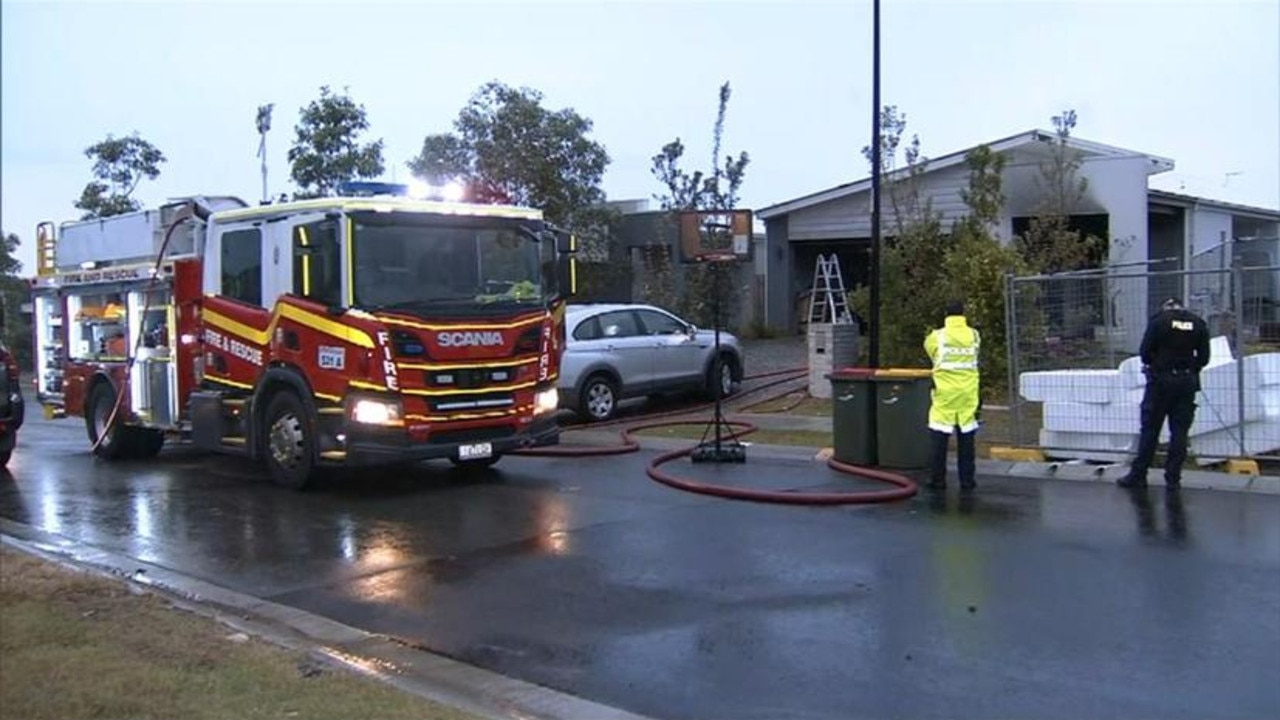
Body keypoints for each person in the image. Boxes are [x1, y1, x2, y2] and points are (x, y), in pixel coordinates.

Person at [1118, 297, 1211, 491]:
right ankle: (1173, 478)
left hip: (1161, 382)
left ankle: (1139, 474)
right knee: (1179, 432)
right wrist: (1189, 368)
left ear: (1166, 307)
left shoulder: (1159, 321)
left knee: (1150, 429)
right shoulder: (1198, 323)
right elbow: (1204, 357)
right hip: (1186, 383)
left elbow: (1144, 352)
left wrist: (1159, 364)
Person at [924, 299, 981, 491]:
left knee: (939, 438)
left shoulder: (937, 337)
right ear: (963, 314)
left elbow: (931, 353)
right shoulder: (974, 335)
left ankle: (937, 480)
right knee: (966, 438)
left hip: (945, 394)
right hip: (968, 393)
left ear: (946, 315)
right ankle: (967, 481)